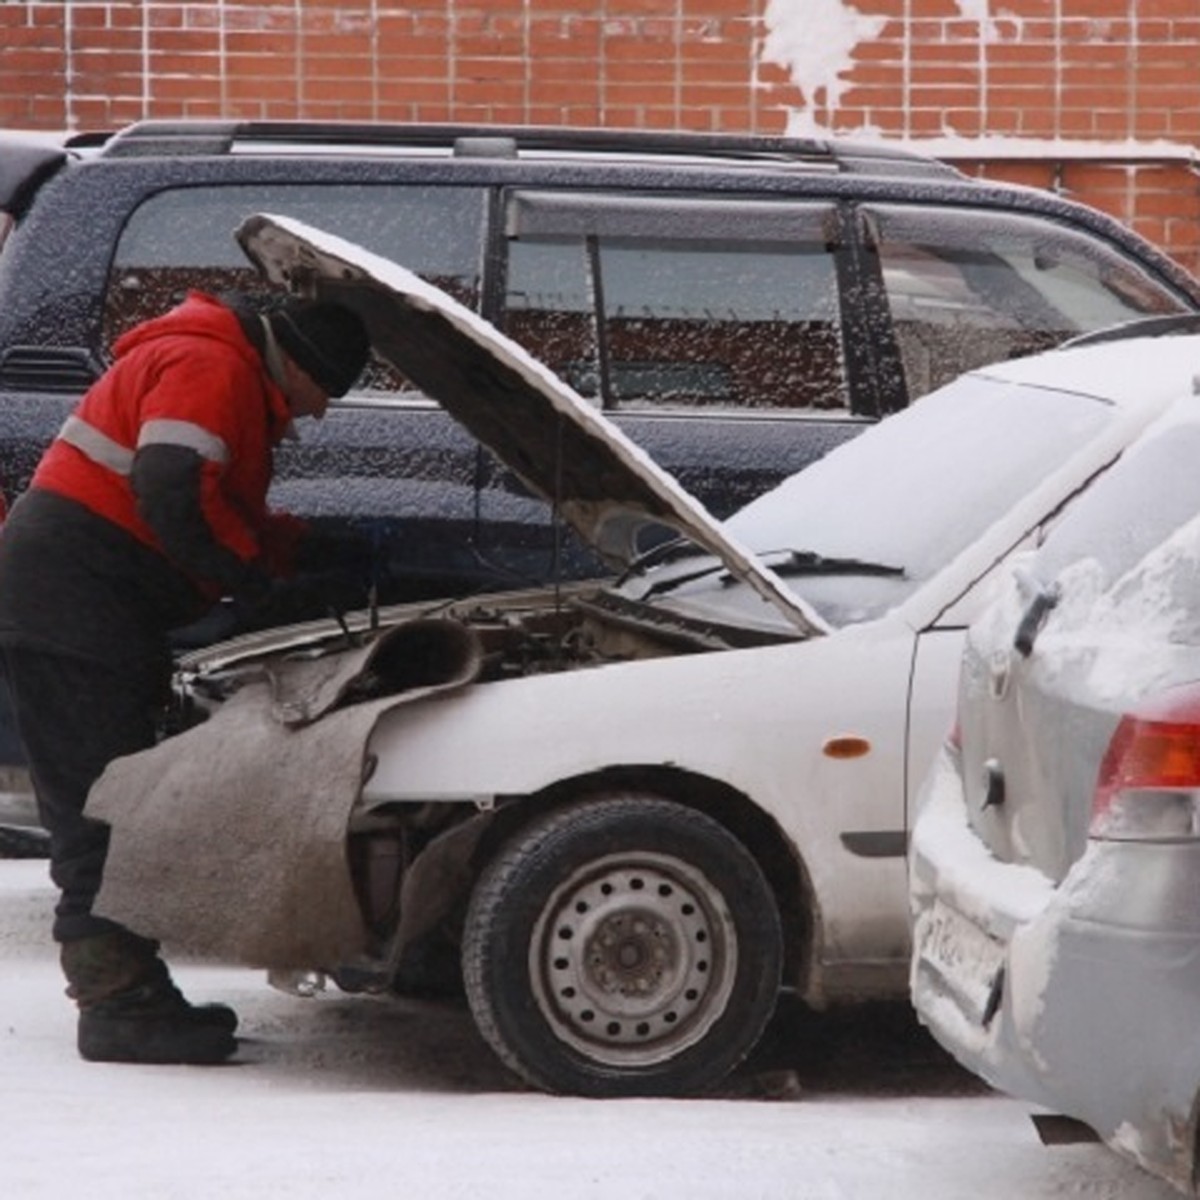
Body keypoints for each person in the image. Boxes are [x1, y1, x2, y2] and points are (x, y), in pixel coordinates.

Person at [0, 289, 371, 1065]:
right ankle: (119, 1007)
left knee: (110, 797)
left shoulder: (220, 364)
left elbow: (210, 498)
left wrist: (296, 550)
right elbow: (171, 488)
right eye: (323, 394)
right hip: (72, 598)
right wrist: (247, 578)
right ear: (297, 361)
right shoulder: (212, 364)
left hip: (83, 596)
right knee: (97, 806)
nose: (319, 414)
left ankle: (127, 993)